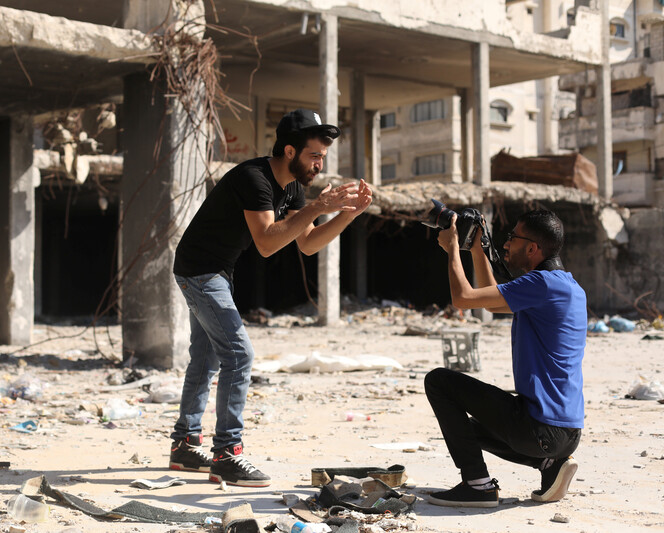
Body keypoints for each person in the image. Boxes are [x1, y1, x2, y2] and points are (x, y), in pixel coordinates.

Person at [168, 109, 373, 487]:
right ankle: (227, 454)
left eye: (323, 157)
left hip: (217, 270)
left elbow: (308, 243)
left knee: (207, 356)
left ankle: (184, 444)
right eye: (315, 156)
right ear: (290, 150)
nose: (319, 164)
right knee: (238, 354)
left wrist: (347, 215)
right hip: (199, 270)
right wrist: (317, 207)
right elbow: (265, 243)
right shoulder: (255, 178)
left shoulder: (293, 187)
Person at [424, 209, 586, 507]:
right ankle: (550, 466)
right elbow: (491, 301)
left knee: (438, 381)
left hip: (538, 428)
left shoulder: (542, 285)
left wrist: (451, 249)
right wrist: (475, 247)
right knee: (468, 432)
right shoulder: (566, 286)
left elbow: (463, 299)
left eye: (512, 237)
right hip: (566, 433)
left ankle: (478, 486)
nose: (506, 244)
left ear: (533, 248)